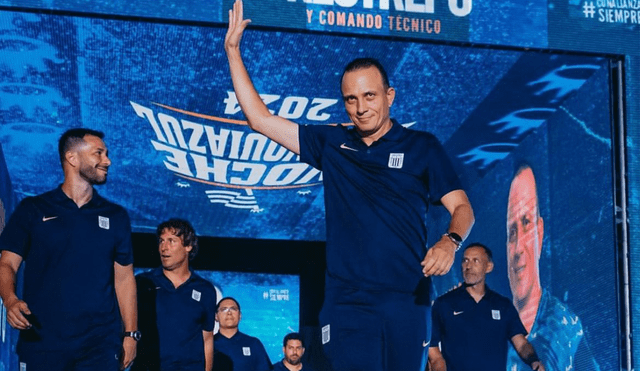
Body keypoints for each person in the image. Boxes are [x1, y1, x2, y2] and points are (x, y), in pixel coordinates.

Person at [224, 2, 475, 370]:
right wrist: (233, 51)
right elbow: (260, 119)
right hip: (348, 303)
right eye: (351, 99)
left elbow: (463, 209)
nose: (360, 108)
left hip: (408, 299)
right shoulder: (331, 144)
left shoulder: (422, 147)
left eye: (369, 96)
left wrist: (450, 242)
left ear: (390, 96)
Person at [0, 128, 138, 370]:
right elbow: (7, 263)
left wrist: (131, 335)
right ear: (72, 158)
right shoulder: (33, 209)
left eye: (106, 154)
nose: (107, 160)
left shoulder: (116, 216)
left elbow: (125, 279)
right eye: (99, 153)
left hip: (99, 345)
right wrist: (10, 300)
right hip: (43, 340)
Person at [505, 165, 600, 371]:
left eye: (526, 224)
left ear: (540, 232)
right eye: (512, 232)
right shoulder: (496, 322)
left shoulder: (567, 331)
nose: (518, 247)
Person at [428, 243, 545, 371]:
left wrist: (534, 361)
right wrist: (438, 365)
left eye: (475, 261)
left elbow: (521, 343)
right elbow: (431, 346)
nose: (468, 266)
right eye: (465, 260)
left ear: (488, 267)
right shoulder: (444, 304)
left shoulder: (503, 305)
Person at [133, 219, 217, 371]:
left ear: (188, 246)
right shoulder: (143, 283)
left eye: (171, 241)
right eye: (161, 241)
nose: (164, 248)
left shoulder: (205, 290)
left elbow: (207, 338)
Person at [212, 297, 272, 371]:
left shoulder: (253, 343)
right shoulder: (208, 344)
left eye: (233, 309)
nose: (229, 313)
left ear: (240, 315)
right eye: (224, 309)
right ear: (216, 316)